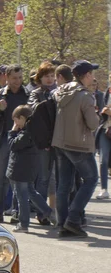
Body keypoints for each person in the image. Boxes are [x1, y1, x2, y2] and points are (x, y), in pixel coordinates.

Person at [52, 60, 100, 237]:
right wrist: (102, 114)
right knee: (91, 179)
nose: (93, 77)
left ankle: (63, 224)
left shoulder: (61, 91)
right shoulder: (85, 96)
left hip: (60, 143)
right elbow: (93, 124)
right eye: (92, 74)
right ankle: (72, 220)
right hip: (79, 144)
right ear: (86, 75)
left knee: (64, 185)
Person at [0, 65, 30, 222]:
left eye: (19, 78)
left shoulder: (27, 95)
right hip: (3, 139)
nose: (17, 81)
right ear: (7, 77)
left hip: (22, 141)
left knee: (18, 179)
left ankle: (17, 212)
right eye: (14, 78)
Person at [6, 105, 56, 232]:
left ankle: (23, 224)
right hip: (28, 168)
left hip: (20, 168)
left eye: (16, 120)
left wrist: (12, 132)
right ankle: (48, 212)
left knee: (22, 196)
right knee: (31, 192)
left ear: (22, 118)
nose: (15, 123)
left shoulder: (26, 133)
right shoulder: (32, 130)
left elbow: (13, 145)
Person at [27, 61, 57, 220]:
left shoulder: (59, 92)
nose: (50, 79)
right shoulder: (35, 93)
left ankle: (54, 211)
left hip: (57, 140)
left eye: (52, 76)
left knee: (54, 178)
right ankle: (42, 213)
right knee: (44, 178)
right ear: (40, 78)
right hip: (43, 142)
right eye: (47, 76)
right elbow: (33, 111)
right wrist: (50, 102)